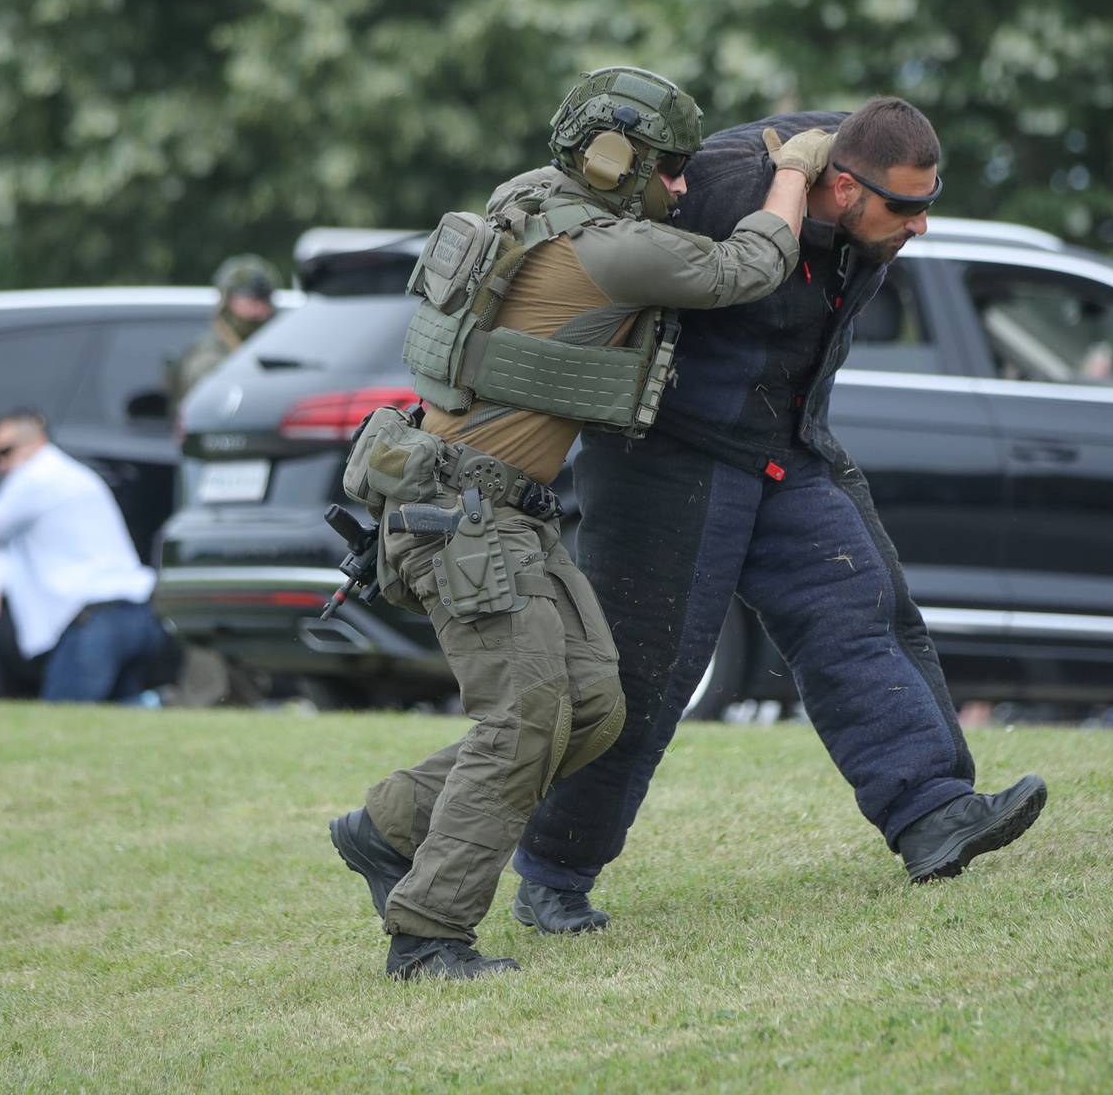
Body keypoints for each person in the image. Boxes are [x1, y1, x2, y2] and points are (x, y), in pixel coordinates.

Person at [330, 65, 824, 980]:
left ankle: (390, 828)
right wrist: (792, 172)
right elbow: (751, 267)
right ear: (609, 159)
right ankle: (429, 934)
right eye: (667, 168)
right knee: (520, 720)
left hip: (501, 512)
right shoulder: (613, 248)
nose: (680, 187)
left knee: (592, 707)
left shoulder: (530, 197)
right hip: (465, 514)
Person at [509, 100, 1048, 935]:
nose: (922, 226)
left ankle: (933, 813)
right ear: (840, 187)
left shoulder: (865, 172)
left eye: (927, 201)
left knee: (865, 610)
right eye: (906, 209)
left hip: (785, 444)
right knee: (644, 678)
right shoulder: (719, 183)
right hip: (668, 455)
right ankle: (551, 871)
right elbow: (589, 258)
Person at [0, 410, 168, 702]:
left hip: (95, 625)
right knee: (121, 727)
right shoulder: (75, 475)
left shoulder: (36, 477)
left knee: (61, 726)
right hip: (141, 615)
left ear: (38, 441)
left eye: (5, 452)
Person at [167, 253, 281, 402]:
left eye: (263, 299)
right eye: (250, 298)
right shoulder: (209, 353)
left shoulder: (276, 346)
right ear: (228, 301)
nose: (258, 308)